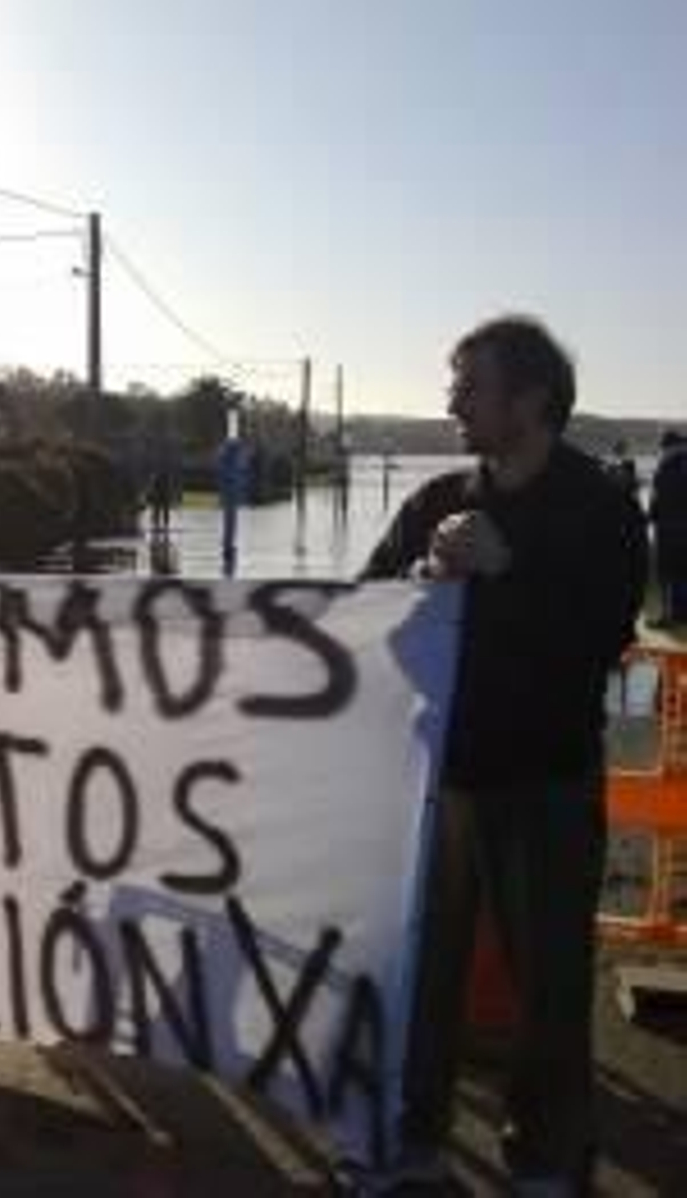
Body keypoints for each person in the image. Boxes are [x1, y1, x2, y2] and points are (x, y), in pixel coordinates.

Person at [355, 317, 647, 1193]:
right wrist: (419, 586)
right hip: (439, 782)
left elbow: (599, 640)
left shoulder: (599, 508)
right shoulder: (435, 500)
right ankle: (416, 1141)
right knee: (423, 973)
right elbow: (361, 611)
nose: (450, 402)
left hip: (548, 781)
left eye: (469, 385)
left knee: (550, 985)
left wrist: (508, 568)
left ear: (532, 400)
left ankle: (548, 1161)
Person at [648, 430, 687, 626]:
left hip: (669, 529)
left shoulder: (666, 465)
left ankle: (667, 616)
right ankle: (682, 615)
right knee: (683, 574)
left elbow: (658, 497)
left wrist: (650, 517)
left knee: (666, 575)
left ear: (668, 446)